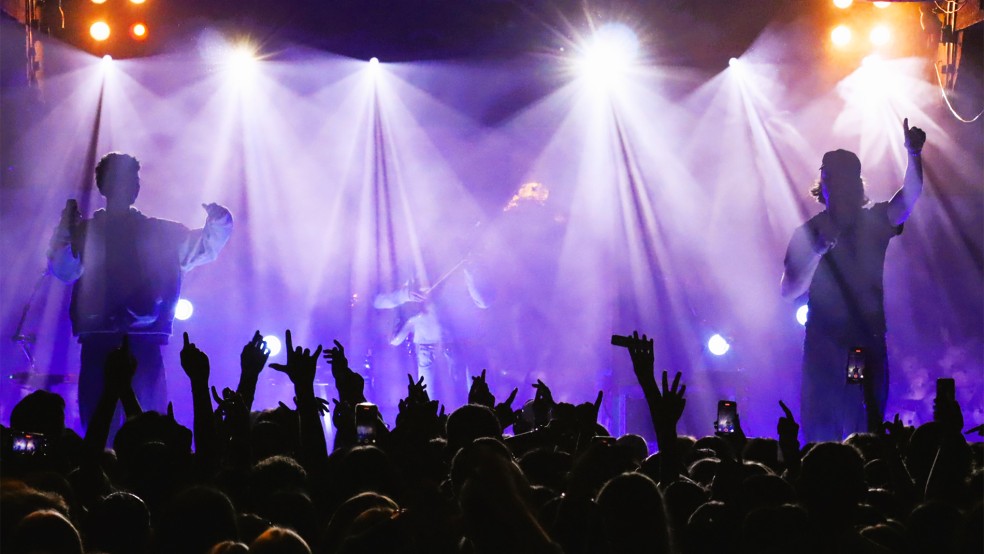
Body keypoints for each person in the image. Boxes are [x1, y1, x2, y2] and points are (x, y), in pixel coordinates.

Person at [47, 152, 233, 429]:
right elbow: (63, 269)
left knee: (149, 425)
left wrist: (219, 222)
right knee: (102, 422)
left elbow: (201, 248)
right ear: (104, 185)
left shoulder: (158, 231)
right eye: (122, 178)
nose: (131, 185)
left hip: (143, 340)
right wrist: (65, 232)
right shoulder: (87, 232)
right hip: (101, 341)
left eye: (134, 179)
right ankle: (103, 468)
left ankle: (142, 465)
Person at [780, 119, 926, 442]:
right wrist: (816, 251)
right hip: (823, 347)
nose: (837, 187)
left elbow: (909, 197)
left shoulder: (873, 221)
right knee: (820, 435)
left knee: (865, 434)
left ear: (856, 185)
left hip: (866, 342)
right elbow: (788, 290)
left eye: (845, 180)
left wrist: (914, 154)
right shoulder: (807, 233)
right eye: (830, 179)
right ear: (823, 184)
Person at [373, 263, 491, 406]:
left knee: (465, 404)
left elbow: (484, 302)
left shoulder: (457, 268)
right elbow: (377, 301)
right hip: (427, 349)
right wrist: (405, 295)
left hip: (458, 347)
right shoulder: (408, 269)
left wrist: (471, 271)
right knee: (431, 406)